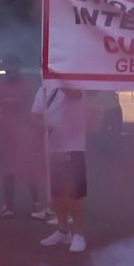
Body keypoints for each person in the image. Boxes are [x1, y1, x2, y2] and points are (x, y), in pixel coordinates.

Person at [33, 86, 89, 253]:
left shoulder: (74, 85)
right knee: (57, 192)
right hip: (51, 148)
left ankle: (79, 235)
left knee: (76, 192)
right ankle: (63, 230)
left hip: (73, 147)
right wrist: (41, 127)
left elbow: (76, 94)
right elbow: (35, 114)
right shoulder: (42, 89)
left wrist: (59, 80)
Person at [0, 56, 48, 219]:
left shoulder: (27, 87)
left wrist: (35, 130)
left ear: (18, 68)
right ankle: (8, 207)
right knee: (7, 171)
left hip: (25, 134)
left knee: (29, 170)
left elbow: (34, 111)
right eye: (8, 68)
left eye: (13, 67)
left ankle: (37, 204)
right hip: (5, 134)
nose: (11, 71)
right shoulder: (0, 86)